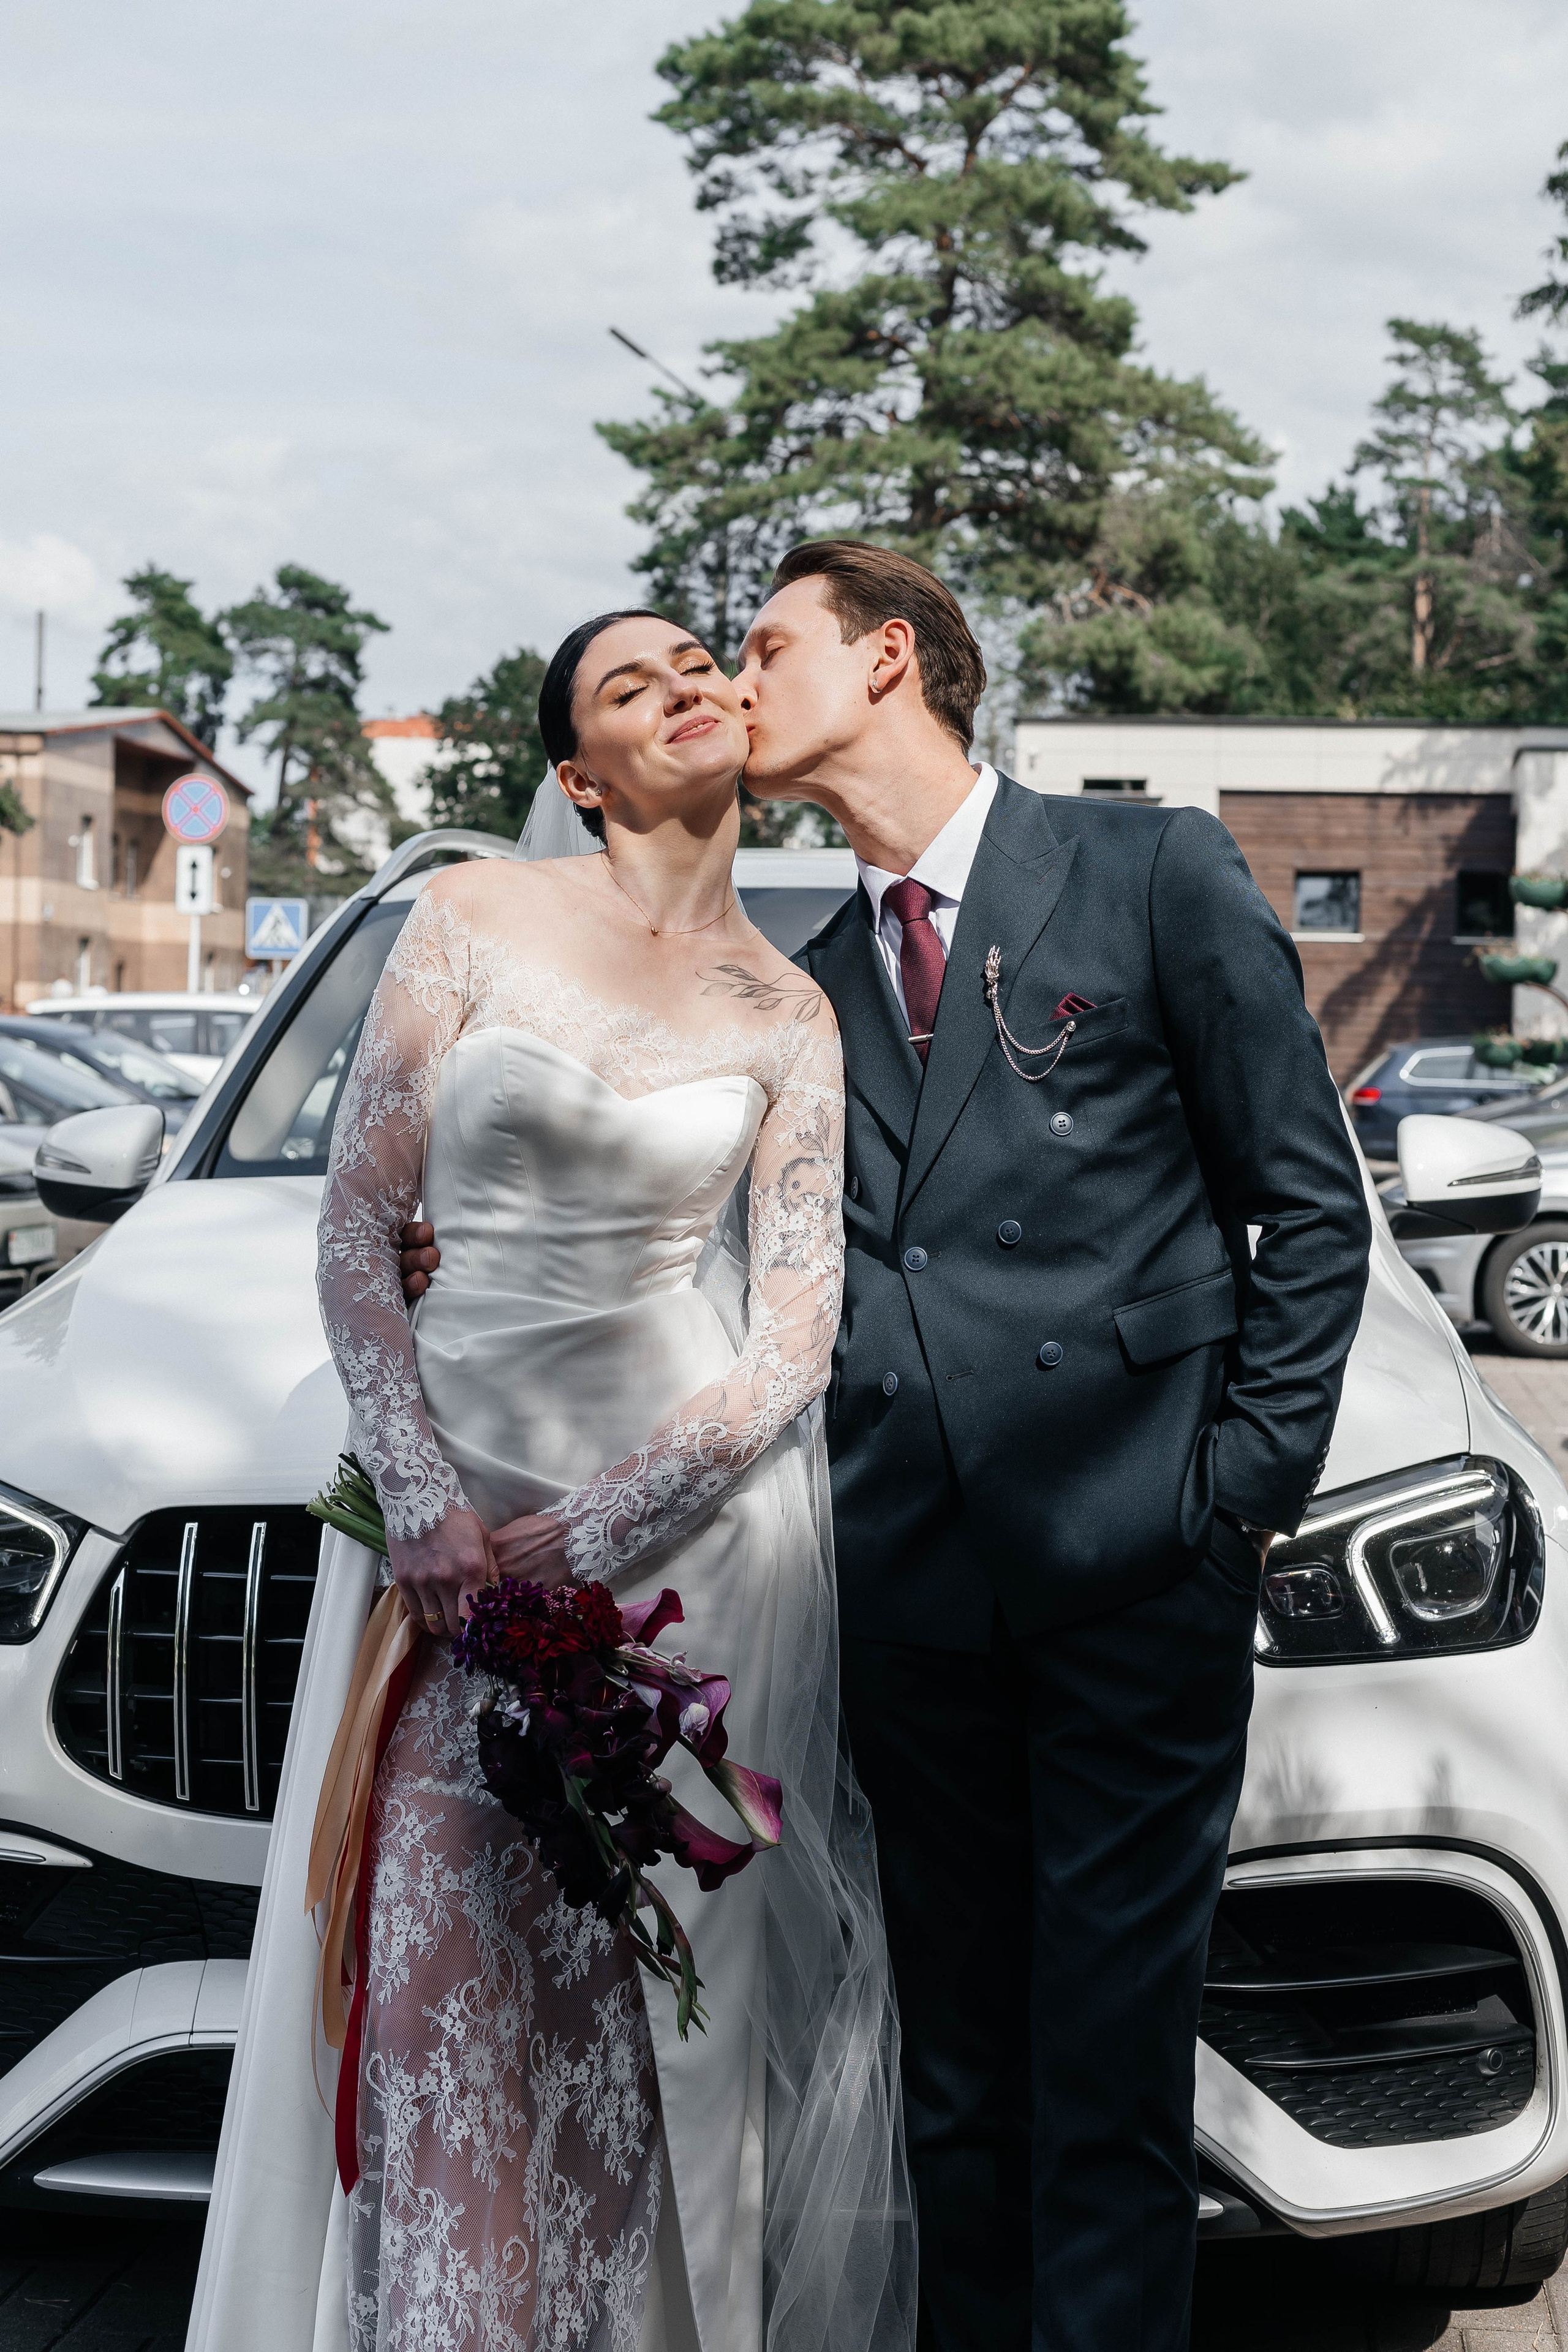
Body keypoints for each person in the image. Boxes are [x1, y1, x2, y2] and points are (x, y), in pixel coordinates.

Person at [401, 542, 1373, 2352]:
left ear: (893, 660)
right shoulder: (809, 983)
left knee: (1106, 2078)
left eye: (764, 649)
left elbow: (1309, 1212)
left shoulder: (1149, 870)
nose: (732, 687)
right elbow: (722, 1245)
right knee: (961, 2087)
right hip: (906, 1600)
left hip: (1129, 1567)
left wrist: (1233, 1499)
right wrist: (468, 1227)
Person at [191, 609, 914, 2352]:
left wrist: (583, 1546)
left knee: (642, 2032)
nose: (680, 682)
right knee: (442, 2007)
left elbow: (794, 1332)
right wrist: (431, 1512)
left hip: (676, 1562)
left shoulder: (793, 1008)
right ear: (578, 777)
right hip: (437, 1539)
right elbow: (360, 1214)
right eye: (624, 682)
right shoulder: (472, 919)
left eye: (696, 658)